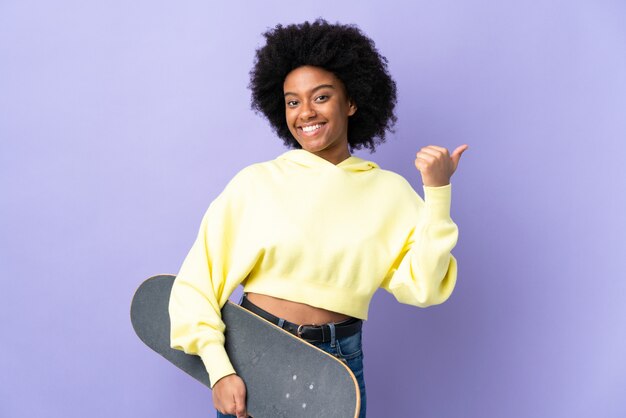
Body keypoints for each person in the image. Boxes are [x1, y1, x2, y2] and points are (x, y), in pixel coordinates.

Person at [168, 19, 467, 418]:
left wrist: (437, 192)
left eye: (321, 97)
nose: (305, 112)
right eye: (293, 101)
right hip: (254, 351)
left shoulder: (390, 193)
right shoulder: (257, 183)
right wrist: (220, 370)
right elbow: (197, 282)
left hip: (338, 362)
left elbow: (426, 287)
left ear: (351, 102)